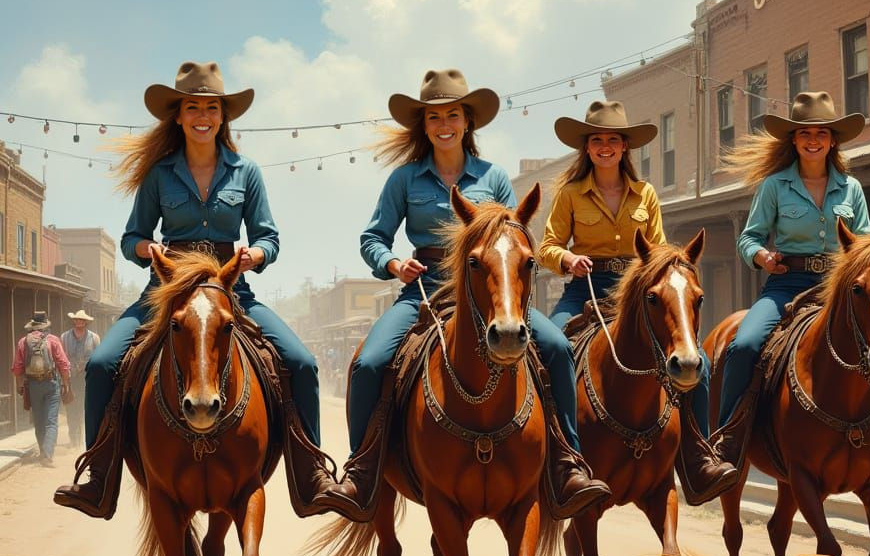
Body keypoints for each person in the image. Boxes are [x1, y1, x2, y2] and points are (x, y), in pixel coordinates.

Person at [54, 61, 347, 518]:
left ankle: (311, 474)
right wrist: (146, 247)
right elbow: (132, 236)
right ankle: (98, 477)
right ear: (178, 115)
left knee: (303, 363)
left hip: (232, 289)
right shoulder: (159, 174)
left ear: (222, 115)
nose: (203, 115)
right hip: (168, 288)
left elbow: (268, 236)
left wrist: (257, 256)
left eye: (211, 107)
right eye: (193, 107)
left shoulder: (246, 171)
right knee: (100, 363)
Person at [334, 67, 610, 522]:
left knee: (558, 347)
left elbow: (514, 239)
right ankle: (363, 470)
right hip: (425, 286)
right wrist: (394, 264)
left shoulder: (494, 177)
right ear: (424, 125)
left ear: (468, 123)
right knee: (369, 363)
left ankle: (566, 462)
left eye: (453, 116)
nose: (444, 125)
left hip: (488, 290)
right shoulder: (404, 180)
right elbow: (373, 238)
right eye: (435, 117)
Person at [713, 91, 870, 487]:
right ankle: (726, 440)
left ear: (833, 139)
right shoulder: (774, 186)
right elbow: (747, 238)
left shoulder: (850, 188)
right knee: (744, 344)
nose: (813, 139)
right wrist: (762, 258)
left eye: (821, 132)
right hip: (787, 284)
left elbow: (866, 239)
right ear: (795, 140)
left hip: (841, 287)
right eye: (805, 133)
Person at [538, 99, 736, 505]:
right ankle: (557, 454)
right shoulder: (571, 193)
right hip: (585, 289)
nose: (605, 147)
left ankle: (697, 454)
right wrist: (568, 258)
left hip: (639, 295)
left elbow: (659, 250)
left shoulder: (645, 194)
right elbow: (546, 247)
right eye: (597, 140)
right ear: (587, 148)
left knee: (699, 359)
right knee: (550, 348)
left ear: (625, 147)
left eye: (613, 140)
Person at [12, 312, 71, 468]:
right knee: (52, 421)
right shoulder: (53, 340)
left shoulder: (23, 342)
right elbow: (63, 364)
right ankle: (47, 454)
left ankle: (42, 450)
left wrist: (20, 386)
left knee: (38, 420)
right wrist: (66, 384)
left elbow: (17, 368)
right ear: (46, 325)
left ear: (32, 326)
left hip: (33, 385)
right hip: (51, 383)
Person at [60, 309, 99, 449]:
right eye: (77, 320)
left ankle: (81, 436)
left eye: (81, 320)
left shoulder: (94, 338)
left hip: (86, 378)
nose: (79, 322)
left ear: (86, 322)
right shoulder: (64, 337)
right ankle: (73, 438)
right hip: (70, 377)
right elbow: (61, 358)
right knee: (71, 408)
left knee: (84, 408)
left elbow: (97, 358)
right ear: (74, 321)